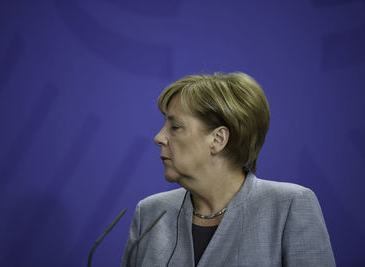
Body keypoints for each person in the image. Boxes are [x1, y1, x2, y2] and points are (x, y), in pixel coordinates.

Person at [122, 72, 335, 267]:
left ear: (218, 139)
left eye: (175, 127)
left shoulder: (290, 206)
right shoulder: (150, 212)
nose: (158, 138)